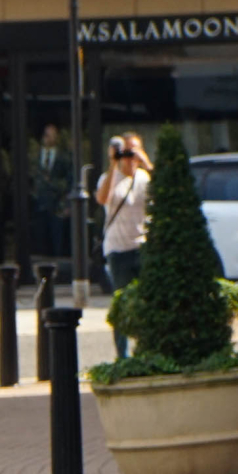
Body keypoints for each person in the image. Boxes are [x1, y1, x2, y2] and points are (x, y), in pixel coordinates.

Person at [96, 134, 151, 358]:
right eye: (126, 153)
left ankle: (145, 351)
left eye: (133, 153)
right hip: (117, 251)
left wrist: (146, 162)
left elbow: (165, 190)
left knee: (146, 302)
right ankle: (122, 354)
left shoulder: (145, 178)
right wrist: (113, 165)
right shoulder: (108, 178)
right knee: (122, 303)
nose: (129, 158)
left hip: (141, 246)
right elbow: (102, 198)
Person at [31, 124, 73, 259]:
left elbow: (69, 180)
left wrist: (67, 204)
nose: (48, 138)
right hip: (39, 205)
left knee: (57, 240)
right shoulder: (34, 156)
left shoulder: (64, 157)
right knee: (41, 239)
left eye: (52, 135)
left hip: (57, 205)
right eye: (46, 135)